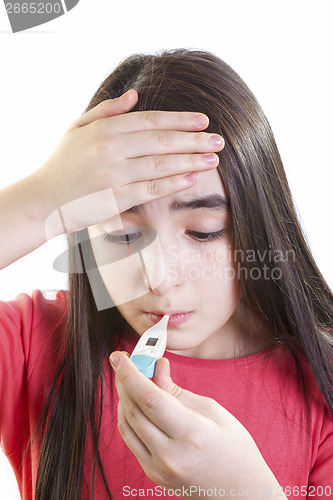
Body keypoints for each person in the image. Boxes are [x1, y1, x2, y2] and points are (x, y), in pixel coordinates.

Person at [0, 49, 332, 500]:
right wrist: (39, 197)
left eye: (202, 232)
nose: (158, 278)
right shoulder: (32, 344)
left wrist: (244, 492)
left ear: (259, 227)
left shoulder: (322, 384)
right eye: (122, 237)